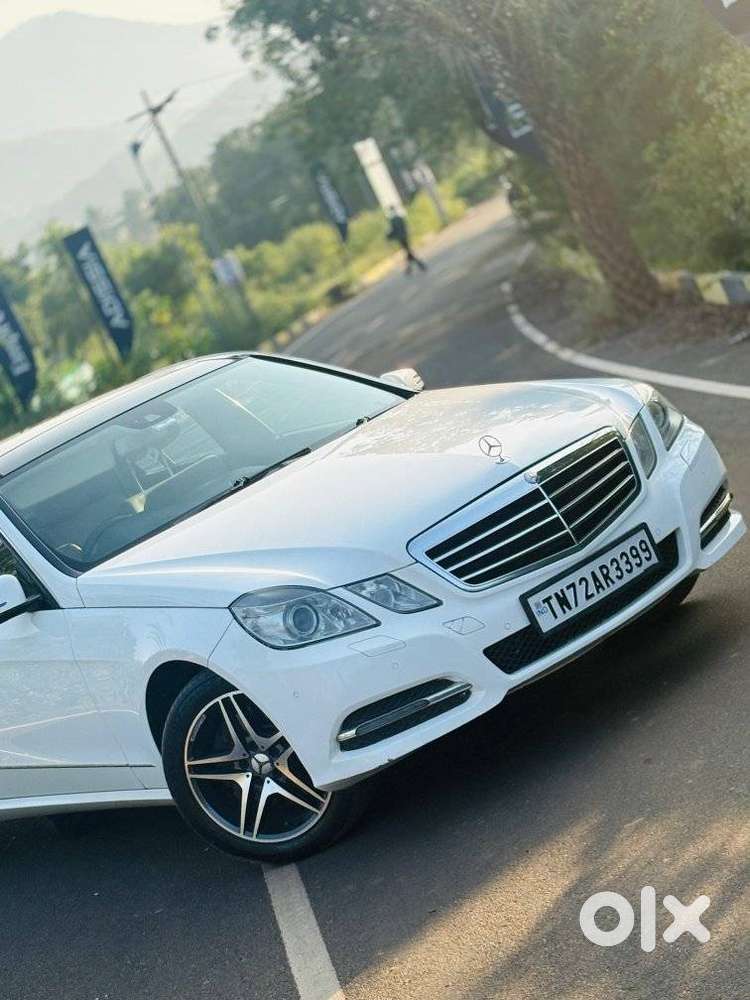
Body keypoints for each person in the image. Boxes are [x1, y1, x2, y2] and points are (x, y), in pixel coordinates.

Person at [386, 207, 427, 275]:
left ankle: (417, 266)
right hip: (405, 237)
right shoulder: (399, 218)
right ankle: (415, 267)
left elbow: (393, 230)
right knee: (408, 252)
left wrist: (388, 237)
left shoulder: (393, 220)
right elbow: (405, 227)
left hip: (401, 238)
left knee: (408, 252)